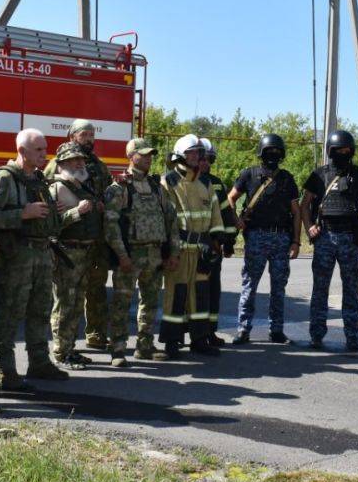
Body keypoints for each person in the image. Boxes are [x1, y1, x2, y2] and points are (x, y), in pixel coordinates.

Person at [0, 129, 73, 388]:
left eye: (45, 149)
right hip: (18, 256)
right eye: (39, 150)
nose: (45, 155)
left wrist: (53, 213)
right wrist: (23, 213)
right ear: (22, 151)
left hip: (42, 253)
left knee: (40, 310)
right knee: (12, 311)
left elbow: (44, 217)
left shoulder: (39, 179)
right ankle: (5, 370)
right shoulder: (5, 179)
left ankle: (39, 363)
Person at [104, 138, 180, 366]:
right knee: (121, 303)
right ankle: (118, 349)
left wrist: (173, 252)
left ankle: (145, 346)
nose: (148, 158)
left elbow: (171, 220)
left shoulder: (157, 188)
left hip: (155, 254)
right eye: (143, 154)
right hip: (130, 256)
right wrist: (122, 256)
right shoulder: (119, 188)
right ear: (131, 156)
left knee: (150, 302)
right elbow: (110, 225)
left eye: (150, 155)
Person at [300, 130, 358, 351]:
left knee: (351, 289)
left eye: (347, 150)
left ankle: (352, 337)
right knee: (320, 289)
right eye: (339, 150)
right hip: (324, 237)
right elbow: (305, 205)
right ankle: (316, 336)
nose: (343, 153)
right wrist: (309, 228)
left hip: (350, 238)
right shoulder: (320, 175)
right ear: (331, 151)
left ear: (351, 151)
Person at [44, 119, 112, 351]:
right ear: (72, 136)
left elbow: (107, 192)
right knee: (66, 299)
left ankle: (94, 334)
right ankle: (63, 349)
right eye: (85, 135)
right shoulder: (56, 167)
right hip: (68, 244)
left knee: (95, 289)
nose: (90, 139)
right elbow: (47, 197)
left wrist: (102, 202)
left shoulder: (98, 166)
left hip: (94, 240)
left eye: (92, 135)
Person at [227, 134, 301, 345]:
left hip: (281, 238)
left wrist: (296, 242)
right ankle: (243, 330)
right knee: (250, 285)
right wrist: (236, 220)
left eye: (277, 152)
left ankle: (276, 331)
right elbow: (231, 198)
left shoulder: (286, 178)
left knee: (279, 288)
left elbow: (296, 212)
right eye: (269, 151)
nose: (273, 155)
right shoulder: (249, 174)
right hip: (256, 237)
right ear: (261, 152)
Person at [159, 134, 225, 357]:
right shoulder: (168, 182)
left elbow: (215, 215)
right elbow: (167, 220)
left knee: (199, 296)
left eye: (199, 153)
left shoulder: (206, 183)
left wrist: (216, 243)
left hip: (201, 252)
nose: (198, 157)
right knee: (175, 296)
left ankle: (199, 339)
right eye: (193, 153)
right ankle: (171, 342)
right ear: (181, 155)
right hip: (179, 250)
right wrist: (169, 250)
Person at [197, 137, 240, 346]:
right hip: (191, 245)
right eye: (202, 159)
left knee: (213, 291)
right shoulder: (184, 182)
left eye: (209, 160)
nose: (205, 163)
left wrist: (229, 241)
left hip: (213, 246)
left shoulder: (216, 183)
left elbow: (226, 214)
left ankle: (210, 332)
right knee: (190, 292)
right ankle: (186, 334)